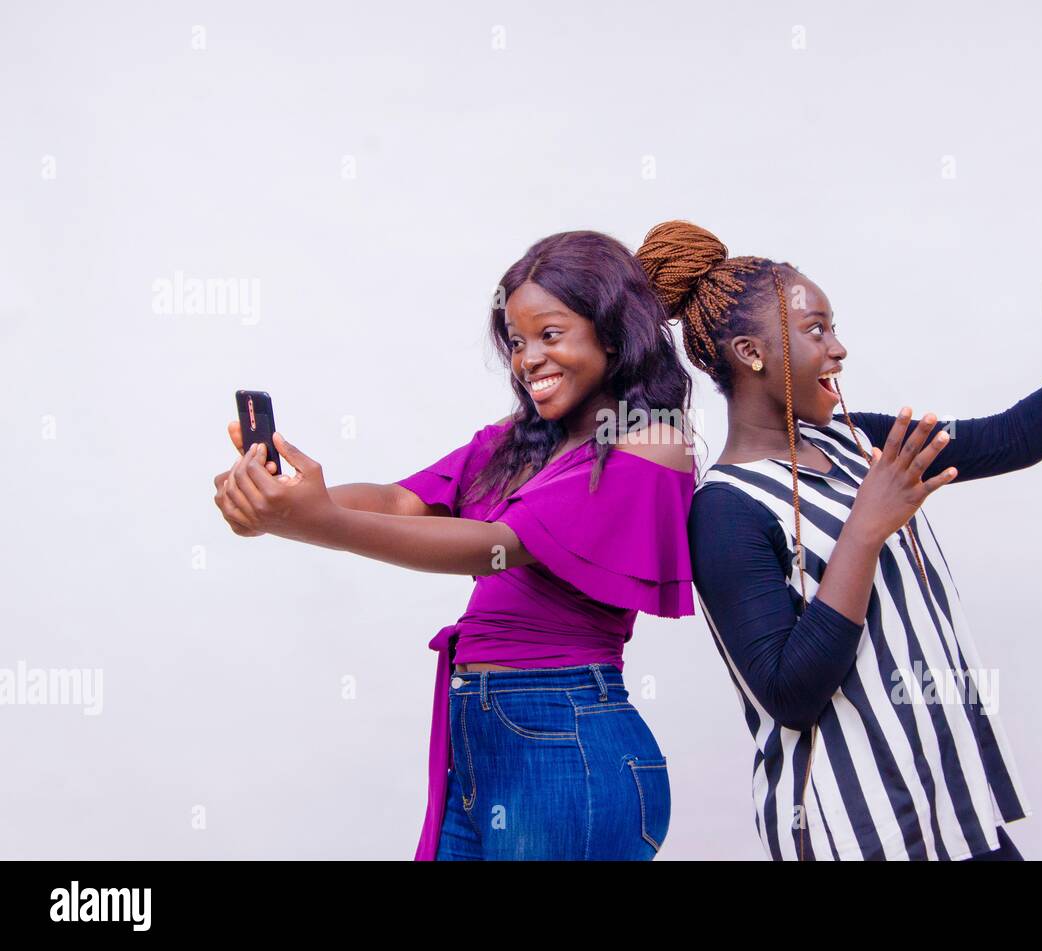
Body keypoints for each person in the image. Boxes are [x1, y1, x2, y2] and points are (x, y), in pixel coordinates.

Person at [635, 220, 1042, 861]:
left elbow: (1012, 437)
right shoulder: (725, 510)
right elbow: (789, 693)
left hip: (949, 809)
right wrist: (866, 529)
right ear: (751, 353)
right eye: (816, 328)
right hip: (851, 832)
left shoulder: (859, 442)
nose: (839, 347)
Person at [213, 230, 697, 860]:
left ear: (612, 332)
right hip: (479, 733)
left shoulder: (650, 441)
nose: (529, 361)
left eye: (550, 335)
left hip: (565, 733)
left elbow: (494, 545)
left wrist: (314, 522)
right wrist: (293, 496)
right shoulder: (518, 441)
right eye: (518, 343)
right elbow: (398, 501)